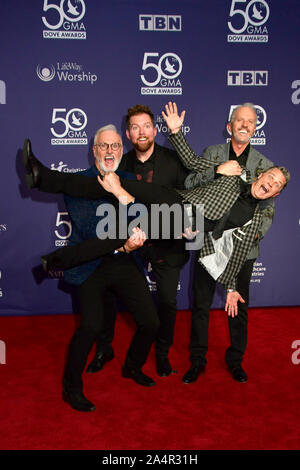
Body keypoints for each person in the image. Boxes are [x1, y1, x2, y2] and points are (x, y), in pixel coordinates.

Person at [24, 126, 160, 412]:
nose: (109, 151)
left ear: (121, 151)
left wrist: (132, 222)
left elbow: (145, 219)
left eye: (114, 146)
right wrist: (125, 237)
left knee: (150, 322)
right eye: (103, 146)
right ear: (94, 150)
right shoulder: (77, 183)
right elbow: (89, 228)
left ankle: (132, 366)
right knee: (89, 326)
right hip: (90, 264)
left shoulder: (131, 181)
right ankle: (71, 388)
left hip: (124, 262)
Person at [162, 101, 286, 383]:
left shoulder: (265, 166)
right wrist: (218, 171)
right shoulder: (214, 153)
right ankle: (197, 360)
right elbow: (193, 184)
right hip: (207, 241)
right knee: (201, 303)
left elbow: (267, 212)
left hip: (242, 248)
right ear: (230, 126)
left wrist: (247, 235)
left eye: (251, 122)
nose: (245, 125)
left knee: (238, 305)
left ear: (255, 128)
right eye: (240, 121)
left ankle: (235, 360)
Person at [88, 105, 190, 378]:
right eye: (135, 127)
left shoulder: (174, 161)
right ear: (127, 134)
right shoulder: (120, 163)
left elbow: (186, 201)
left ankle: (162, 353)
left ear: (155, 130)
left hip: (167, 244)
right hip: (129, 245)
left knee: (167, 301)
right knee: (106, 293)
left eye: (146, 126)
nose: (141, 132)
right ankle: (104, 348)